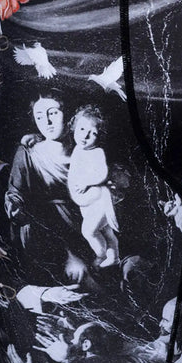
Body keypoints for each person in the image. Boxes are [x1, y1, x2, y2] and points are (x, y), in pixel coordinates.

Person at [4, 90, 92, 283]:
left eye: (53, 113)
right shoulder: (28, 154)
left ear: (69, 115)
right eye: (39, 116)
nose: (47, 122)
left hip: (84, 225)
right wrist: (14, 204)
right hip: (46, 230)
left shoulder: (87, 151)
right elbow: (16, 193)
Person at [67, 105, 120, 269]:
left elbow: (102, 173)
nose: (85, 135)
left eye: (93, 133)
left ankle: (101, 255)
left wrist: (86, 182)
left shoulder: (97, 152)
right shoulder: (77, 149)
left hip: (98, 200)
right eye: (82, 129)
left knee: (89, 231)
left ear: (100, 137)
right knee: (105, 231)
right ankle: (114, 257)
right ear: (74, 127)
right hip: (87, 204)